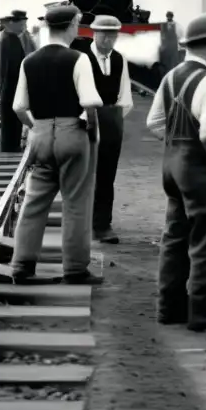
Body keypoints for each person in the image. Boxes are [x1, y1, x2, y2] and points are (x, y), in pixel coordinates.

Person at [146, 12, 206, 332]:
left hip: (171, 164)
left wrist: (177, 145)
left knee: (175, 235)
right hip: (198, 168)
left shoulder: (170, 76)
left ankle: (169, 307)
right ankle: (204, 311)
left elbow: (154, 123)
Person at [10, 3, 103, 286]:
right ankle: (75, 269)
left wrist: (35, 127)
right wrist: (93, 129)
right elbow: (89, 102)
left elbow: (18, 107)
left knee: (34, 202)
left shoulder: (30, 61)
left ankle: (22, 266)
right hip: (71, 134)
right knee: (76, 203)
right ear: (73, 24)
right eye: (78, 23)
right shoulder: (79, 59)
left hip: (39, 135)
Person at [84, 15, 133, 244]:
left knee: (107, 175)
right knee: (84, 174)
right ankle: (83, 222)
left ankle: (103, 224)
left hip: (112, 120)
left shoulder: (120, 60)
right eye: (104, 34)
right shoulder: (82, 59)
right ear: (93, 33)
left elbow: (125, 96)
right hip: (86, 119)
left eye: (113, 35)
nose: (109, 39)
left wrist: (112, 120)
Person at [0, 11, 27, 153]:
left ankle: (10, 144)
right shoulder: (11, 39)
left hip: (9, 83)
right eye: (21, 24)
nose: (23, 27)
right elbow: (13, 65)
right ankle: (11, 146)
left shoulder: (6, 37)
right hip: (12, 83)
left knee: (10, 116)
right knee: (12, 116)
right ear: (12, 23)